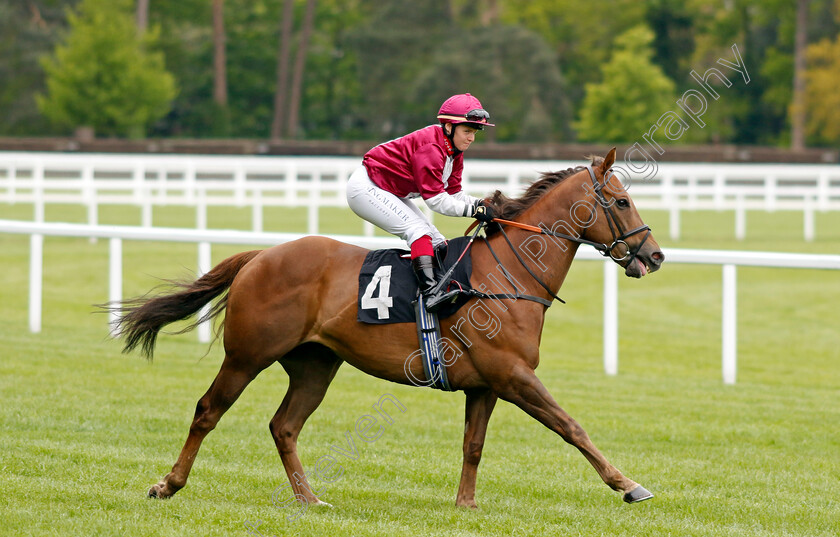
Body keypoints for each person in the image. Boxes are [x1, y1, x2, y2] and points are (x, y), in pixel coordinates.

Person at [346, 93, 497, 310]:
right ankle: (430, 294)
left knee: (436, 240)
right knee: (419, 233)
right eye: (467, 131)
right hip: (367, 187)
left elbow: (454, 194)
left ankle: (440, 286)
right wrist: (473, 210)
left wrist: (484, 204)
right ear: (448, 127)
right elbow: (436, 201)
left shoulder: (454, 151)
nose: (471, 138)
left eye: (474, 132)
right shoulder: (432, 148)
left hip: (389, 189)